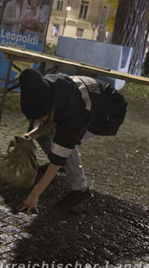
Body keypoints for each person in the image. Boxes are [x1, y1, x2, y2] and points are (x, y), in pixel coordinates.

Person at [17, 69, 128, 213]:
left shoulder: (74, 109)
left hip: (107, 113)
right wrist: (28, 137)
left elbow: (62, 150)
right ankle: (67, 167)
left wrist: (34, 196)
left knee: (63, 146)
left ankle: (80, 190)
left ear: (50, 108)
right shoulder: (46, 87)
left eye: (41, 117)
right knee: (48, 136)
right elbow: (45, 124)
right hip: (85, 103)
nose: (39, 122)